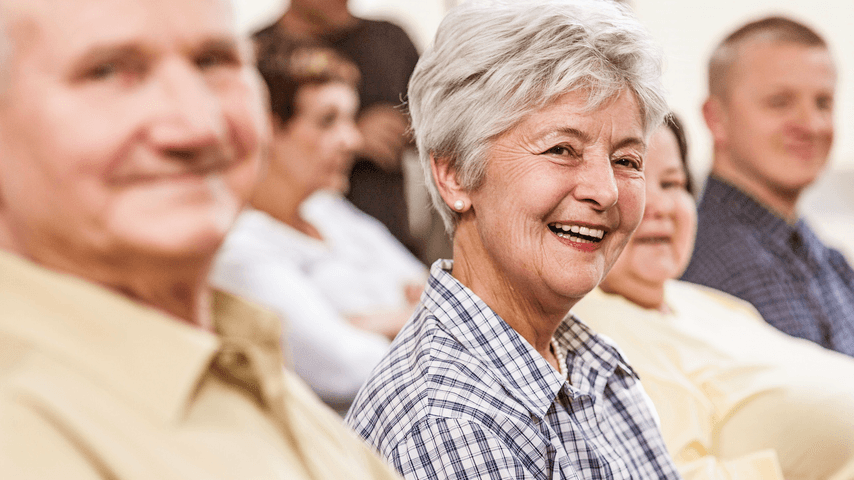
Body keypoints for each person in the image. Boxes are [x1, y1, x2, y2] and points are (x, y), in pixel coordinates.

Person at [0, 0, 403, 478]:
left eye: (213, 61)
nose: (200, 127)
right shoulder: (24, 432)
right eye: (106, 72)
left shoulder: (247, 363)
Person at [345, 1, 681, 478]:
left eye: (626, 160)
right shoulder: (448, 426)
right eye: (562, 149)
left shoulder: (592, 363)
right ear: (454, 174)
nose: (606, 191)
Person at [573, 115, 854, 480]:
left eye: (672, 183)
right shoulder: (596, 332)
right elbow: (676, 472)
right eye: (629, 176)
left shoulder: (703, 302)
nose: (660, 205)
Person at [211, 36, 426, 414]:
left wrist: (369, 323)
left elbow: (440, 289)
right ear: (267, 129)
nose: (352, 140)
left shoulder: (328, 211)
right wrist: (415, 316)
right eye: (328, 121)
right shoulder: (239, 249)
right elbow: (347, 369)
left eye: (350, 119)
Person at [680, 16, 854, 356]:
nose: (811, 124)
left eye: (823, 103)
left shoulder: (828, 260)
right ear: (716, 118)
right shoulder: (710, 266)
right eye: (780, 102)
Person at [255, 0, 426, 260]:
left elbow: (445, 130)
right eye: (327, 120)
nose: (350, 140)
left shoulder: (389, 40)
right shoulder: (255, 53)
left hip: (389, 237)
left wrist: (407, 129)